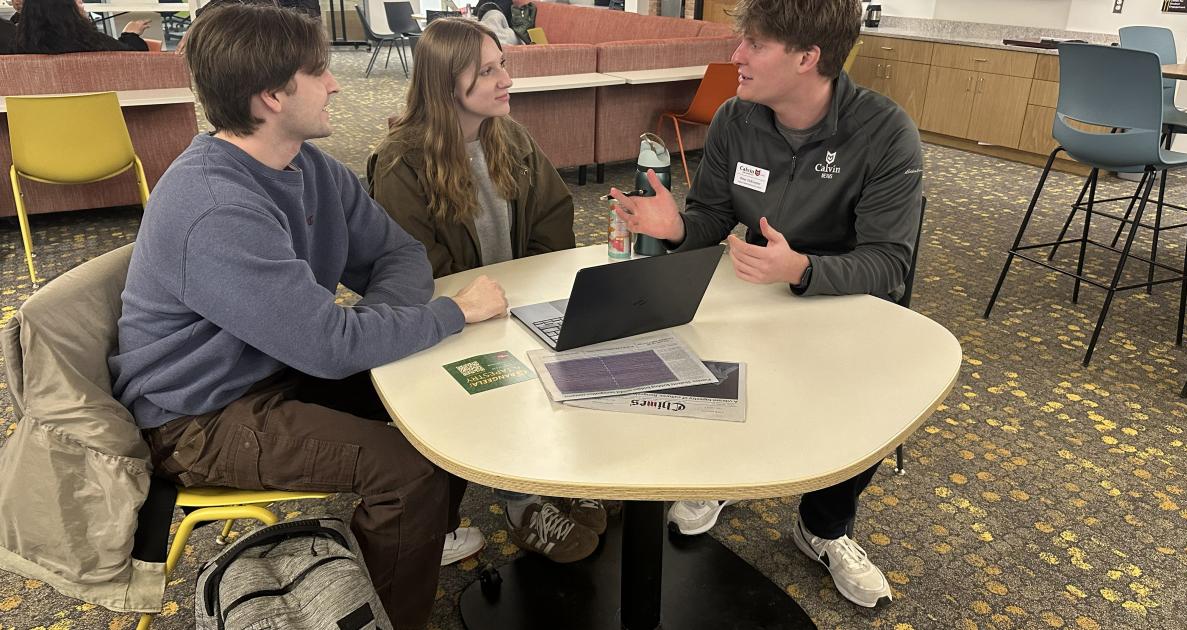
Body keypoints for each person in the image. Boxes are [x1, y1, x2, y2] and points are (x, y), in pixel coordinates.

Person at [108, 5, 508, 629]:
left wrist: (370, 332)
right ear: (271, 96)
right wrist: (448, 313)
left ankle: (419, 539)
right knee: (407, 471)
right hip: (199, 415)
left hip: (277, 367)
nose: (336, 84)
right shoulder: (214, 206)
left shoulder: (307, 165)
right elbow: (327, 347)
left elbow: (398, 254)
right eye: (319, 71)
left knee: (441, 395)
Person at [611, 0, 921, 610]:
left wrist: (802, 269)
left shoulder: (884, 132)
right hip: (755, 289)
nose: (736, 56)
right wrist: (677, 229)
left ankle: (824, 527)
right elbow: (713, 215)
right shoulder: (736, 117)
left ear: (807, 58)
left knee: (870, 405)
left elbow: (890, 263)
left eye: (754, 44)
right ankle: (728, 477)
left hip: (845, 303)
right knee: (701, 357)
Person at [367, 17, 605, 564]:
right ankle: (522, 504)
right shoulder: (402, 160)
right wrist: (488, 308)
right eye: (488, 71)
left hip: (516, 302)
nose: (506, 80)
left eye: (504, 65)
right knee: (506, 386)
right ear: (446, 82)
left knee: (587, 348)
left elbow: (553, 220)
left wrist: (531, 292)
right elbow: (418, 269)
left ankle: (563, 476)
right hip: (453, 318)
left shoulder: (509, 136)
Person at [13, 0, 150, 54]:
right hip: (99, 108)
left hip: (39, 109)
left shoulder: (19, 48)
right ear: (66, 10)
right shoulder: (91, 42)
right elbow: (138, 61)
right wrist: (130, 35)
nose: (82, 5)